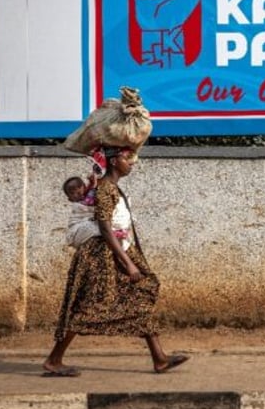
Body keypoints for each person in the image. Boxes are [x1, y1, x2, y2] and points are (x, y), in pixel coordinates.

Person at [43, 146, 188, 376]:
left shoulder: (111, 188)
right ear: (112, 161)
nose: (132, 162)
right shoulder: (104, 190)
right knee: (90, 306)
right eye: (126, 158)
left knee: (139, 296)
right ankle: (54, 359)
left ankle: (159, 358)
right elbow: (105, 227)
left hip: (112, 253)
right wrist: (129, 264)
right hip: (100, 258)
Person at [62, 173, 100, 248]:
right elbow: (89, 200)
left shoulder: (86, 194)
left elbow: (89, 192)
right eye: (73, 193)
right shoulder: (78, 205)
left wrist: (91, 182)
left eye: (79, 187)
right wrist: (94, 184)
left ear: (85, 187)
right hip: (80, 225)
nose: (78, 191)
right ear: (70, 199)